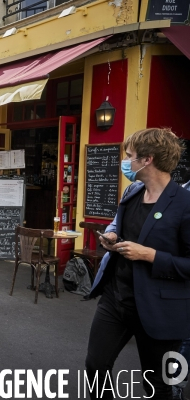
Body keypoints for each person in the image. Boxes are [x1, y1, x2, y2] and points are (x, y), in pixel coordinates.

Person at [86, 128, 190, 400]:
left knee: (158, 385)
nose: (125, 161)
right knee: (95, 366)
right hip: (116, 298)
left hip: (159, 308)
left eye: (129, 156)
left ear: (148, 160)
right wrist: (112, 236)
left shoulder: (185, 204)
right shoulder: (132, 191)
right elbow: (122, 227)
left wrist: (149, 255)